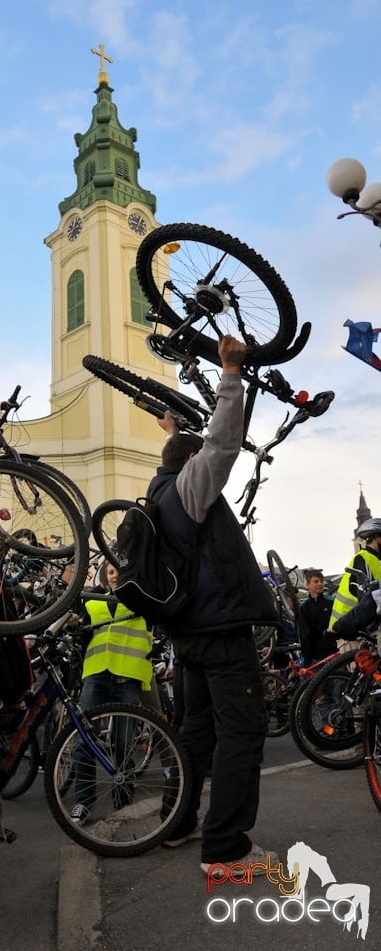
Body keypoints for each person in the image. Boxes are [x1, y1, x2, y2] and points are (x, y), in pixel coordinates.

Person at [151, 335, 279, 876]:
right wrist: (230, 371)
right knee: (243, 730)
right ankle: (226, 848)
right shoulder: (191, 486)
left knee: (195, 732)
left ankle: (177, 823)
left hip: (187, 635)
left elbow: (191, 452)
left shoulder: (159, 491)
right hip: (221, 631)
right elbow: (222, 445)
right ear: (190, 461)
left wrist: (173, 436)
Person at [71, 561, 153, 824]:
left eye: (118, 570)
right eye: (110, 571)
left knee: (124, 746)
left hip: (127, 677)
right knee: (83, 740)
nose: (114, 575)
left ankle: (123, 803)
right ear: (104, 577)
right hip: (96, 674)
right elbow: (82, 634)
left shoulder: (142, 598)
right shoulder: (91, 601)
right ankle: (83, 801)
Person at [329, 518, 381, 629]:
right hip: (348, 628)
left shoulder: (376, 560)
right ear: (377, 538)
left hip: (358, 625)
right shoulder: (363, 558)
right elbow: (367, 596)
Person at [298, 569, 335, 667]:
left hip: (333, 654)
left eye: (321, 581)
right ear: (308, 585)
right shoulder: (303, 607)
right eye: (316, 581)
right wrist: (306, 660)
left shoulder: (332, 602)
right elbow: (304, 635)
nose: (320, 584)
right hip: (315, 658)